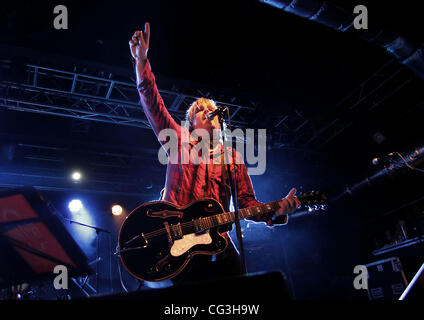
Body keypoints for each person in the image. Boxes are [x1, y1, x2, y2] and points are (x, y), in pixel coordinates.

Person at [128, 22, 301, 284]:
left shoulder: (232, 157)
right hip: (178, 241)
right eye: (201, 110)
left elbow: (245, 202)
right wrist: (142, 62)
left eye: (211, 109)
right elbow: (153, 104)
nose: (209, 112)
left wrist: (275, 210)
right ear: (192, 122)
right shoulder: (178, 141)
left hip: (217, 240)